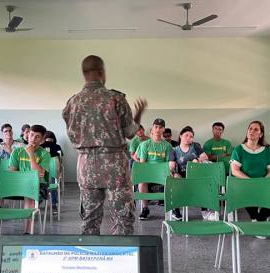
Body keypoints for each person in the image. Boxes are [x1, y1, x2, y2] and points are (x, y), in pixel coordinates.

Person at [63, 55, 146, 235]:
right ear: (102, 72)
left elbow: (71, 136)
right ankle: (122, 259)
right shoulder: (115, 99)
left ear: (83, 74)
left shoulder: (72, 103)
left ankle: (92, 258)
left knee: (89, 218)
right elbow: (130, 133)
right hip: (114, 164)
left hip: (86, 166)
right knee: (122, 216)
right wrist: (138, 117)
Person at [10, 124, 51, 234]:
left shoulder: (44, 154)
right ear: (27, 135)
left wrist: (31, 154)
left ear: (42, 140)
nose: (33, 138)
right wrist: (28, 177)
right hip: (18, 184)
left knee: (29, 194)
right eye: (31, 135)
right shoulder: (16, 152)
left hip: (38, 186)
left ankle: (28, 231)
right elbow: (12, 173)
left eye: (37, 137)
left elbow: (38, 174)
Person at [230, 121, 270, 224]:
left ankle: (260, 218)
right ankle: (256, 218)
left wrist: (262, 181)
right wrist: (251, 182)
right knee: (248, 192)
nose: (251, 131)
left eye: (256, 129)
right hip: (244, 184)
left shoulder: (267, 151)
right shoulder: (238, 149)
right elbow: (235, 170)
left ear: (261, 134)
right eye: (250, 128)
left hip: (263, 183)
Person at [168, 126, 209, 220]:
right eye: (186, 135)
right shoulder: (174, 150)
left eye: (191, 136)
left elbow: (205, 157)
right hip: (181, 177)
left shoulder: (195, 147)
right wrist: (174, 173)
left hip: (195, 176)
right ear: (180, 136)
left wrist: (196, 159)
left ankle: (205, 210)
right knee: (175, 178)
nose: (189, 138)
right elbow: (171, 166)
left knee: (196, 166)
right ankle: (176, 211)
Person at [136, 118, 173, 220]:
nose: (157, 129)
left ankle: (172, 209)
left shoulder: (168, 146)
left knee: (172, 180)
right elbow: (142, 164)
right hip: (148, 173)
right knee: (141, 181)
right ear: (152, 128)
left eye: (160, 127)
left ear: (163, 130)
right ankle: (145, 208)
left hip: (162, 174)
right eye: (156, 127)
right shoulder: (144, 145)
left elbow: (167, 164)